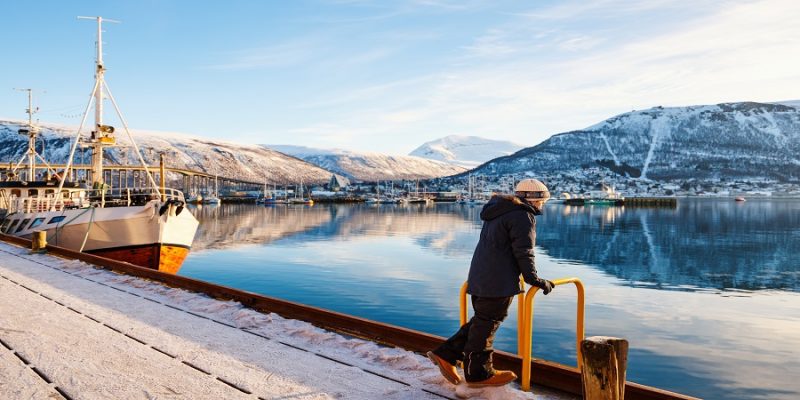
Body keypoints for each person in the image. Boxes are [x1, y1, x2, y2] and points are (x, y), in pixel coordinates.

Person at [427, 178, 555, 387]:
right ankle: (479, 374)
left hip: (480, 275)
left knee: (482, 320)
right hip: (498, 280)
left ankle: (446, 355)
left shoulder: (498, 212)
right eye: (542, 201)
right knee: (488, 324)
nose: (542, 206)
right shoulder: (522, 216)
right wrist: (535, 280)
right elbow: (524, 252)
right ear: (534, 199)